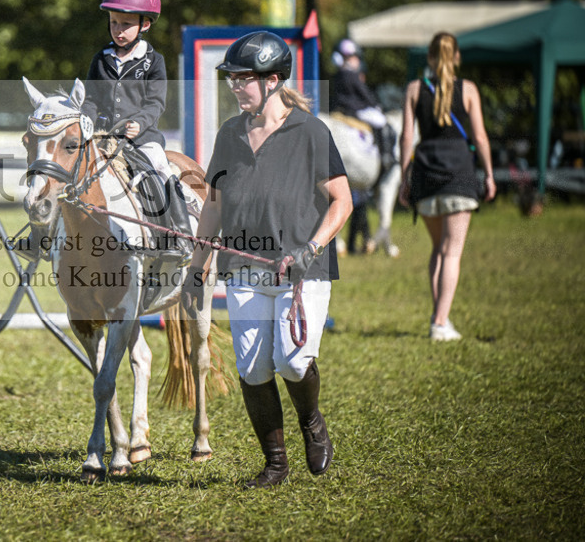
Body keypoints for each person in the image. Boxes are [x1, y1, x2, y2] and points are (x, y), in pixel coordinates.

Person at [182, 31, 353, 489]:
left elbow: (342, 202)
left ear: (273, 80)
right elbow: (214, 206)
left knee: (294, 362)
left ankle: (312, 421)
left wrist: (311, 249)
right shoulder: (229, 134)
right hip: (243, 269)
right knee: (253, 369)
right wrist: (197, 265)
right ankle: (275, 464)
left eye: (244, 79)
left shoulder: (311, 132)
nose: (235, 87)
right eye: (231, 79)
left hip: (303, 271)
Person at [82, 0, 192, 258]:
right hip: (102, 136)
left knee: (160, 168)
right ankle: (42, 234)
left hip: (141, 137)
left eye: (126, 24)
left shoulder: (154, 62)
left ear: (145, 24)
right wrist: (85, 121)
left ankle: (179, 236)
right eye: (114, 22)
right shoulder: (100, 59)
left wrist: (139, 123)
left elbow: (156, 103)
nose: (118, 30)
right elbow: (92, 99)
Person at [399, 32, 495, 342]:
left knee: (439, 250)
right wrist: (490, 174)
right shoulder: (468, 89)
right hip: (458, 176)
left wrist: (404, 178)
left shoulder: (414, 89)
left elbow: (406, 138)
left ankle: (439, 316)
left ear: (429, 57)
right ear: (456, 57)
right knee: (452, 253)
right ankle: (440, 322)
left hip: (426, 175)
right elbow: (479, 137)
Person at [331, 38, 396, 172]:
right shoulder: (351, 74)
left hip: (343, 109)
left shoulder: (338, 74)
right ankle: (386, 157)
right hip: (357, 110)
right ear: (347, 58)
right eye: (355, 57)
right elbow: (364, 94)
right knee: (383, 122)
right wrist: (376, 105)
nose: (357, 61)